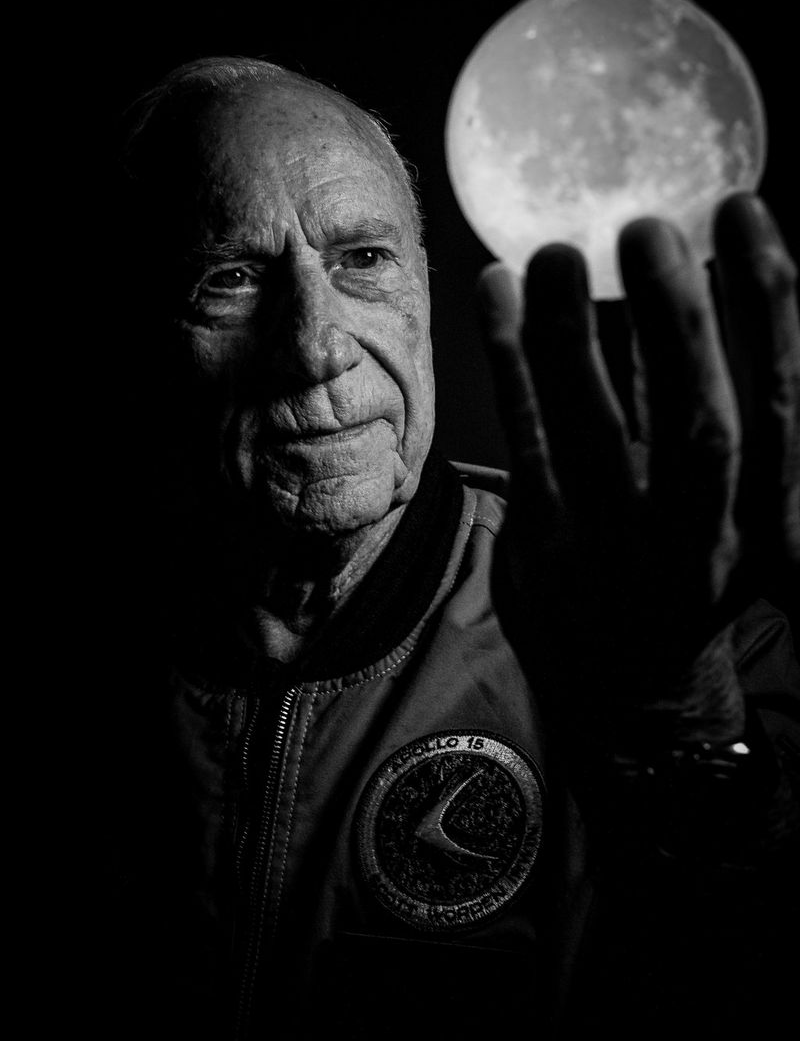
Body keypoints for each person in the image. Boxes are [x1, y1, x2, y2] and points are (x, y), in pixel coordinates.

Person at [94, 55, 799, 1041]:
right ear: (129, 334)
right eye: (232, 278)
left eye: (362, 261)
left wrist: (677, 701)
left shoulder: (630, 597)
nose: (315, 345)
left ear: (425, 283)